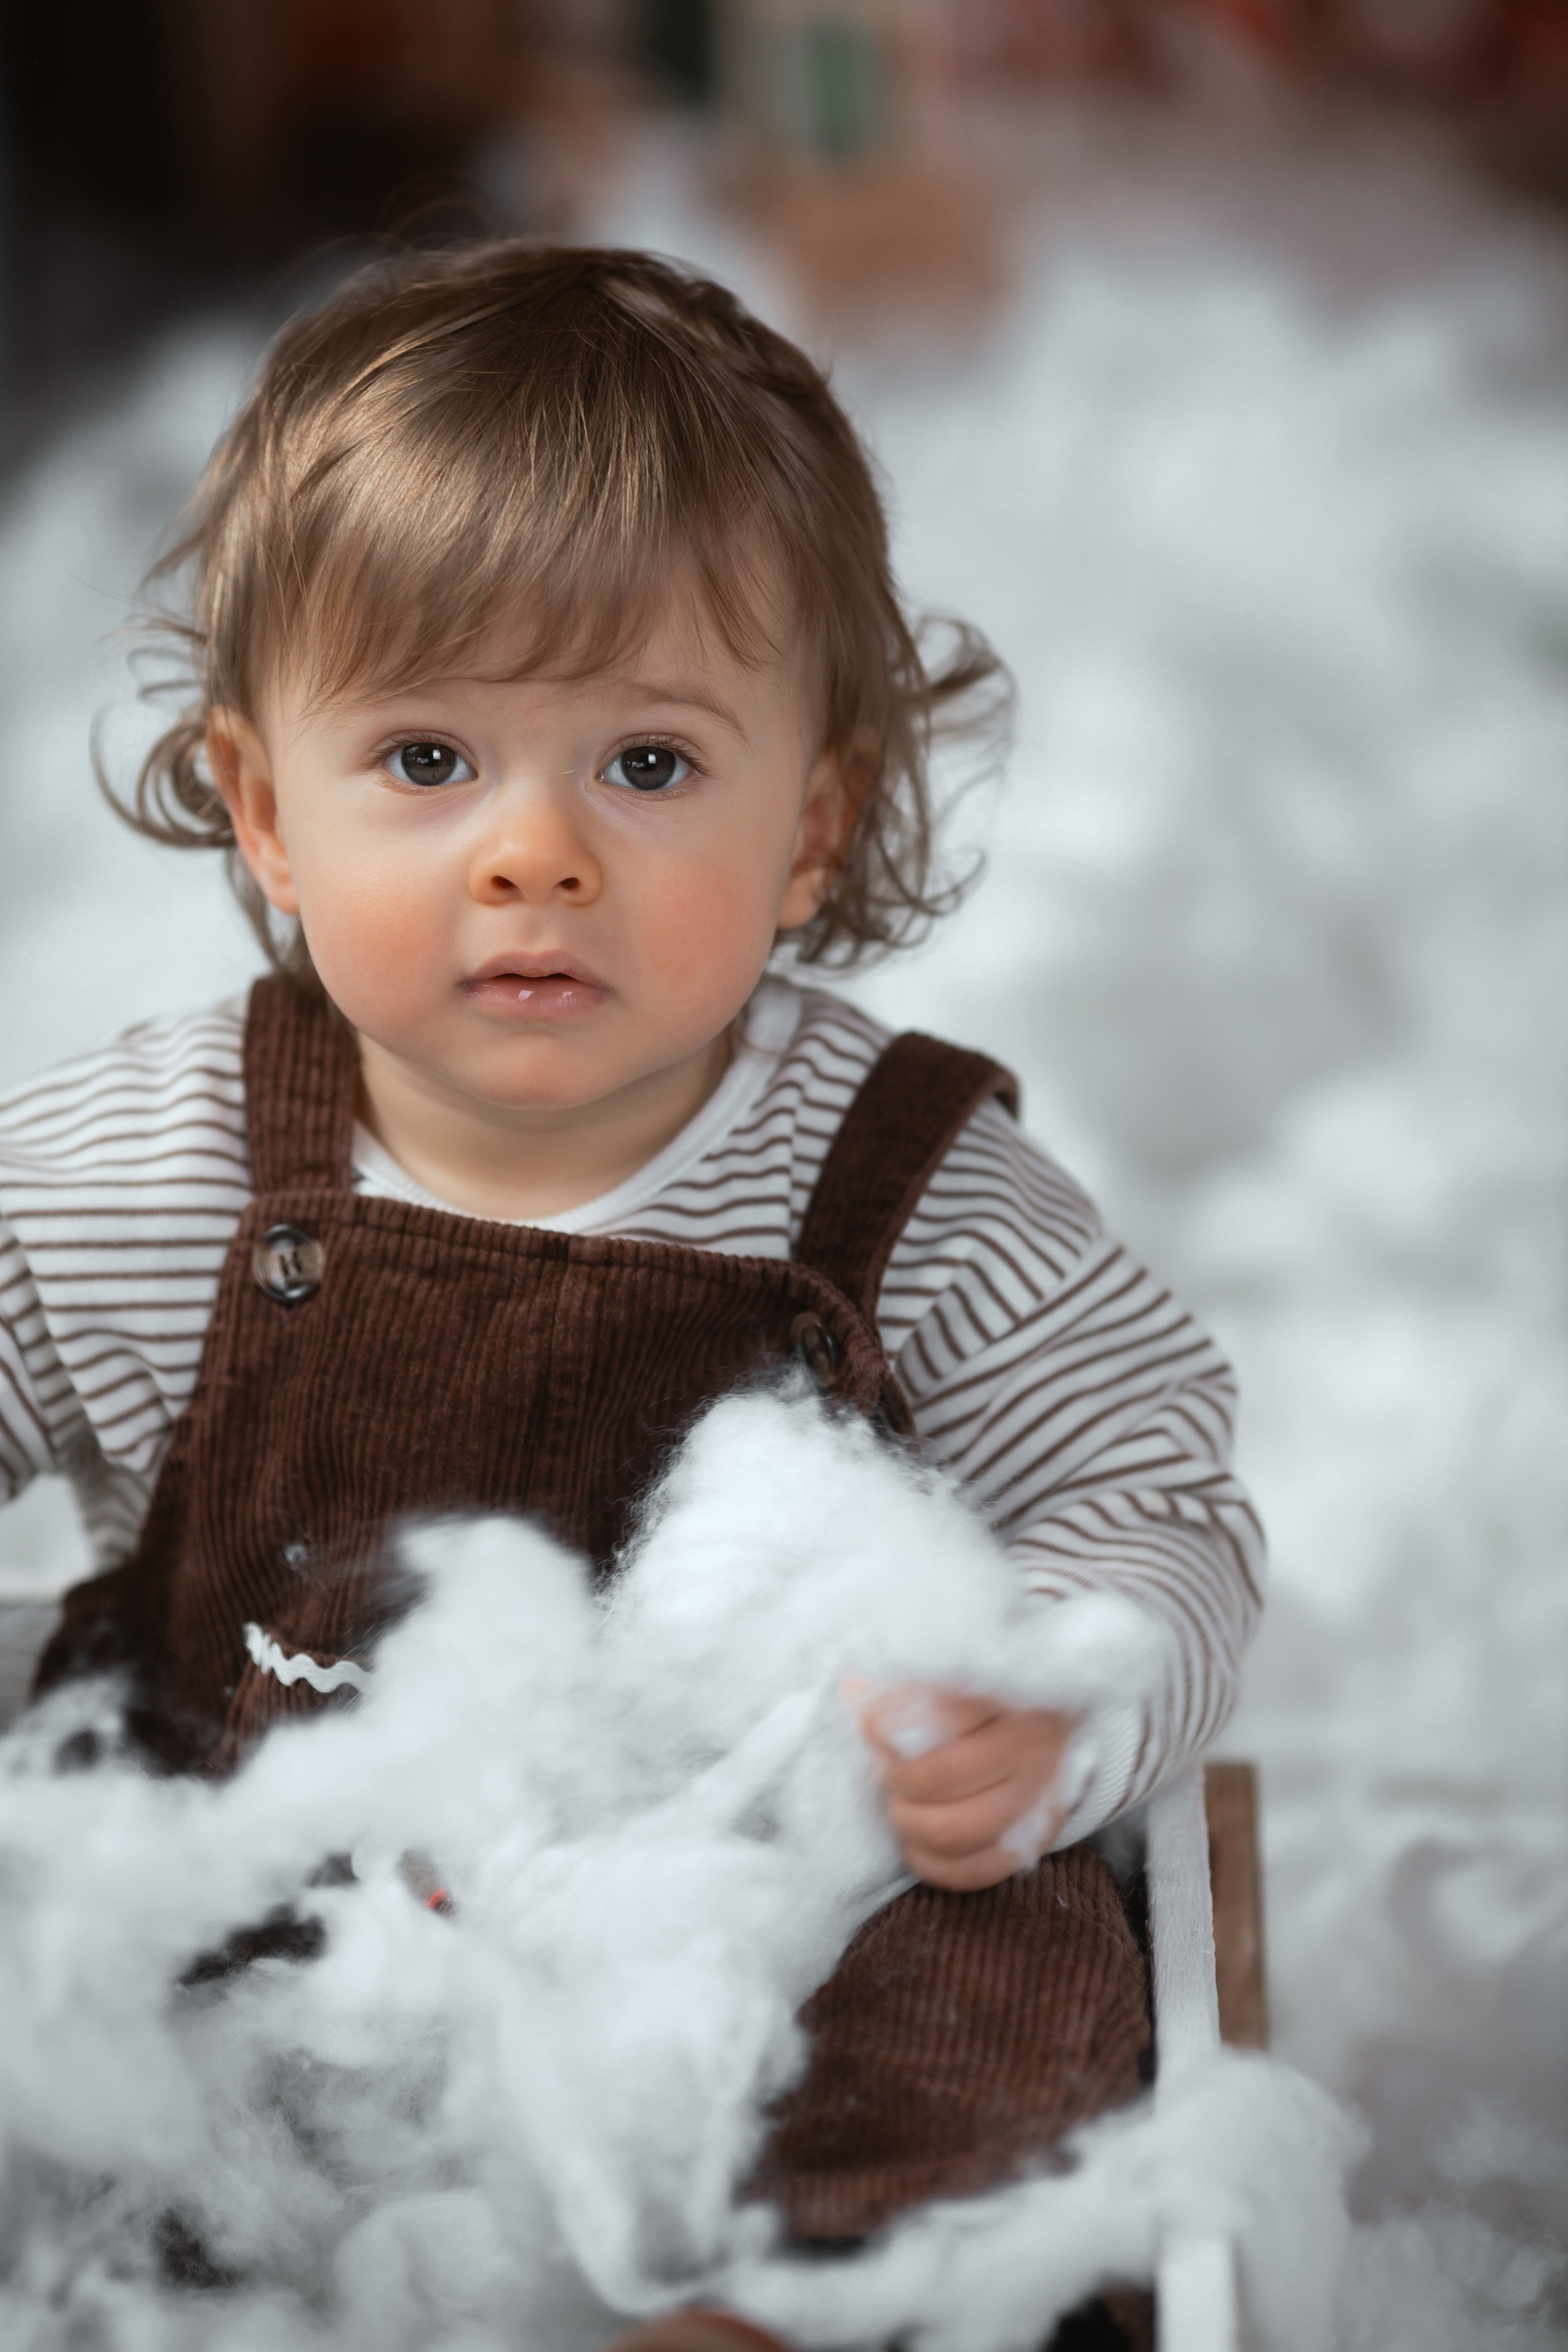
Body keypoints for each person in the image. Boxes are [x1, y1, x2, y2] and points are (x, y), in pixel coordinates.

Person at [0, 245, 1262, 2351]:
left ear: (811, 825)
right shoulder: (153, 1169)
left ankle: (798, 2289)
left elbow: (1153, 1493)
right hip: (251, 1849)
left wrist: (1054, 1695)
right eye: (425, 760)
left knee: (1011, 1936)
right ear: (262, 811)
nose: (535, 854)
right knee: (69, 1814)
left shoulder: (910, 1190)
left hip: (742, 1923)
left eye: (650, 767)